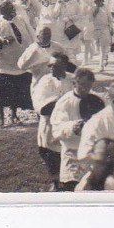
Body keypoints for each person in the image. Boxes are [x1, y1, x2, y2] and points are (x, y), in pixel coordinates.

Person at [50, 67, 105, 191]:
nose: (85, 89)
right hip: (72, 151)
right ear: (74, 83)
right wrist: (72, 127)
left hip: (92, 152)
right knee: (71, 186)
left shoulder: (98, 100)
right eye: (82, 85)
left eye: (89, 86)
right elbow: (57, 127)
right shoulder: (65, 102)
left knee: (92, 187)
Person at [0, 0, 35, 127]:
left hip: (18, 62)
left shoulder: (20, 20)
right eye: (10, 10)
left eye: (13, 9)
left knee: (15, 90)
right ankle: (1, 116)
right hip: (3, 64)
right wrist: (2, 41)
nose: (13, 11)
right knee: (1, 91)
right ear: (4, 11)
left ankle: (14, 115)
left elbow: (30, 36)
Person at [31, 53, 73, 191]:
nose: (51, 68)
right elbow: (42, 107)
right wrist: (64, 103)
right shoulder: (45, 81)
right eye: (50, 65)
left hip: (67, 125)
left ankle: (67, 181)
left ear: (65, 66)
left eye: (55, 66)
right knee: (50, 154)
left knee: (67, 154)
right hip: (49, 125)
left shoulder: (72, 80)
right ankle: (55, 183)